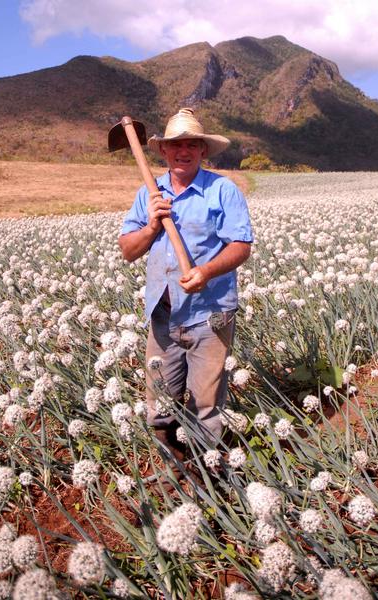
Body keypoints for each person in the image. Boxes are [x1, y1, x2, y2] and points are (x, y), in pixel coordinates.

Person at [119, 108, 253, 480]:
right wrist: (149, 226)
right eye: (176, 144)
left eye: (191, 144)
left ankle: (206, 477)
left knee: (206, 404)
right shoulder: (149, 194)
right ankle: (172, 470)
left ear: (202, 151)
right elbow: (128, 250)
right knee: (160, 402)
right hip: (162, 317)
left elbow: (241, 245)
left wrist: (206, 271)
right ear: (163, 151)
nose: (184, 150)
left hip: (209, 315)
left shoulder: (222, 190)